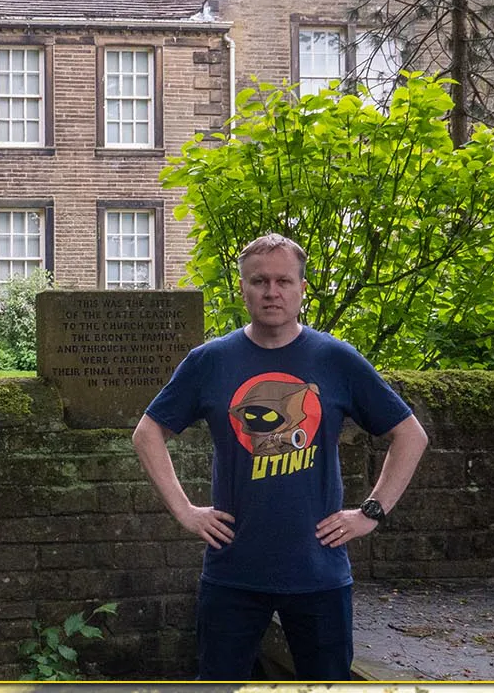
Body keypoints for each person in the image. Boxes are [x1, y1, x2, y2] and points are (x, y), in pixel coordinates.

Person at [134, 234, 429, 680]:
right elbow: (147, 432)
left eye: (283, 281)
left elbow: (409, 434)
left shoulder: (336, 359)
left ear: (301, 288)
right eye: (260, 281)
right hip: (234, 570)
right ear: (242, 289)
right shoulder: (210, 361)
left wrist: (371, 512)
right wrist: (186, 511)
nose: (272, 292)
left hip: (319, 571)